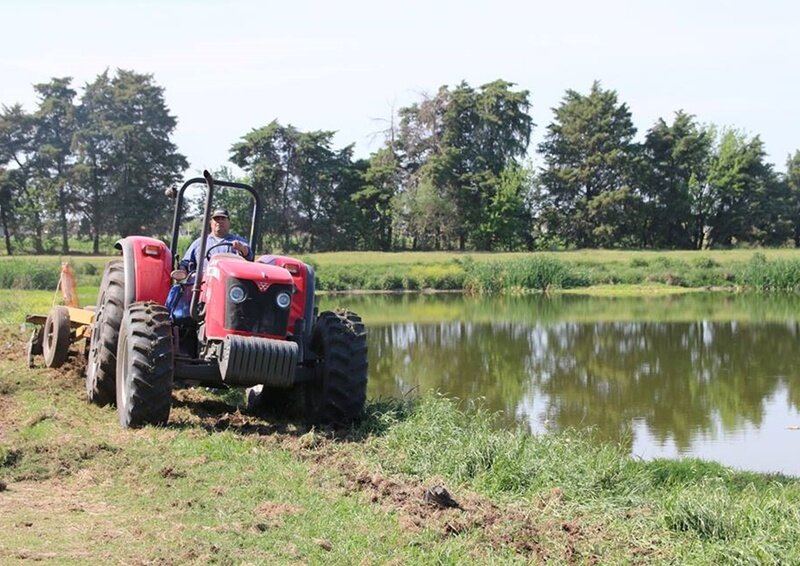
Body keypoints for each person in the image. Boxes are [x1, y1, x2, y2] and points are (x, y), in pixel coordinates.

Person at [179, 208, 254, 272]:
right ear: (211, 223)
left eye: (223, 219)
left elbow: (249, 257)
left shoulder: (239, 242)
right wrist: (182, 270)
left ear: (229, 222)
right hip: (204, 282)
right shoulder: (199, 243)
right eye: (217, 219)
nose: (220, 221)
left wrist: (242, 248)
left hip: (230, 282)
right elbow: (186, 263)